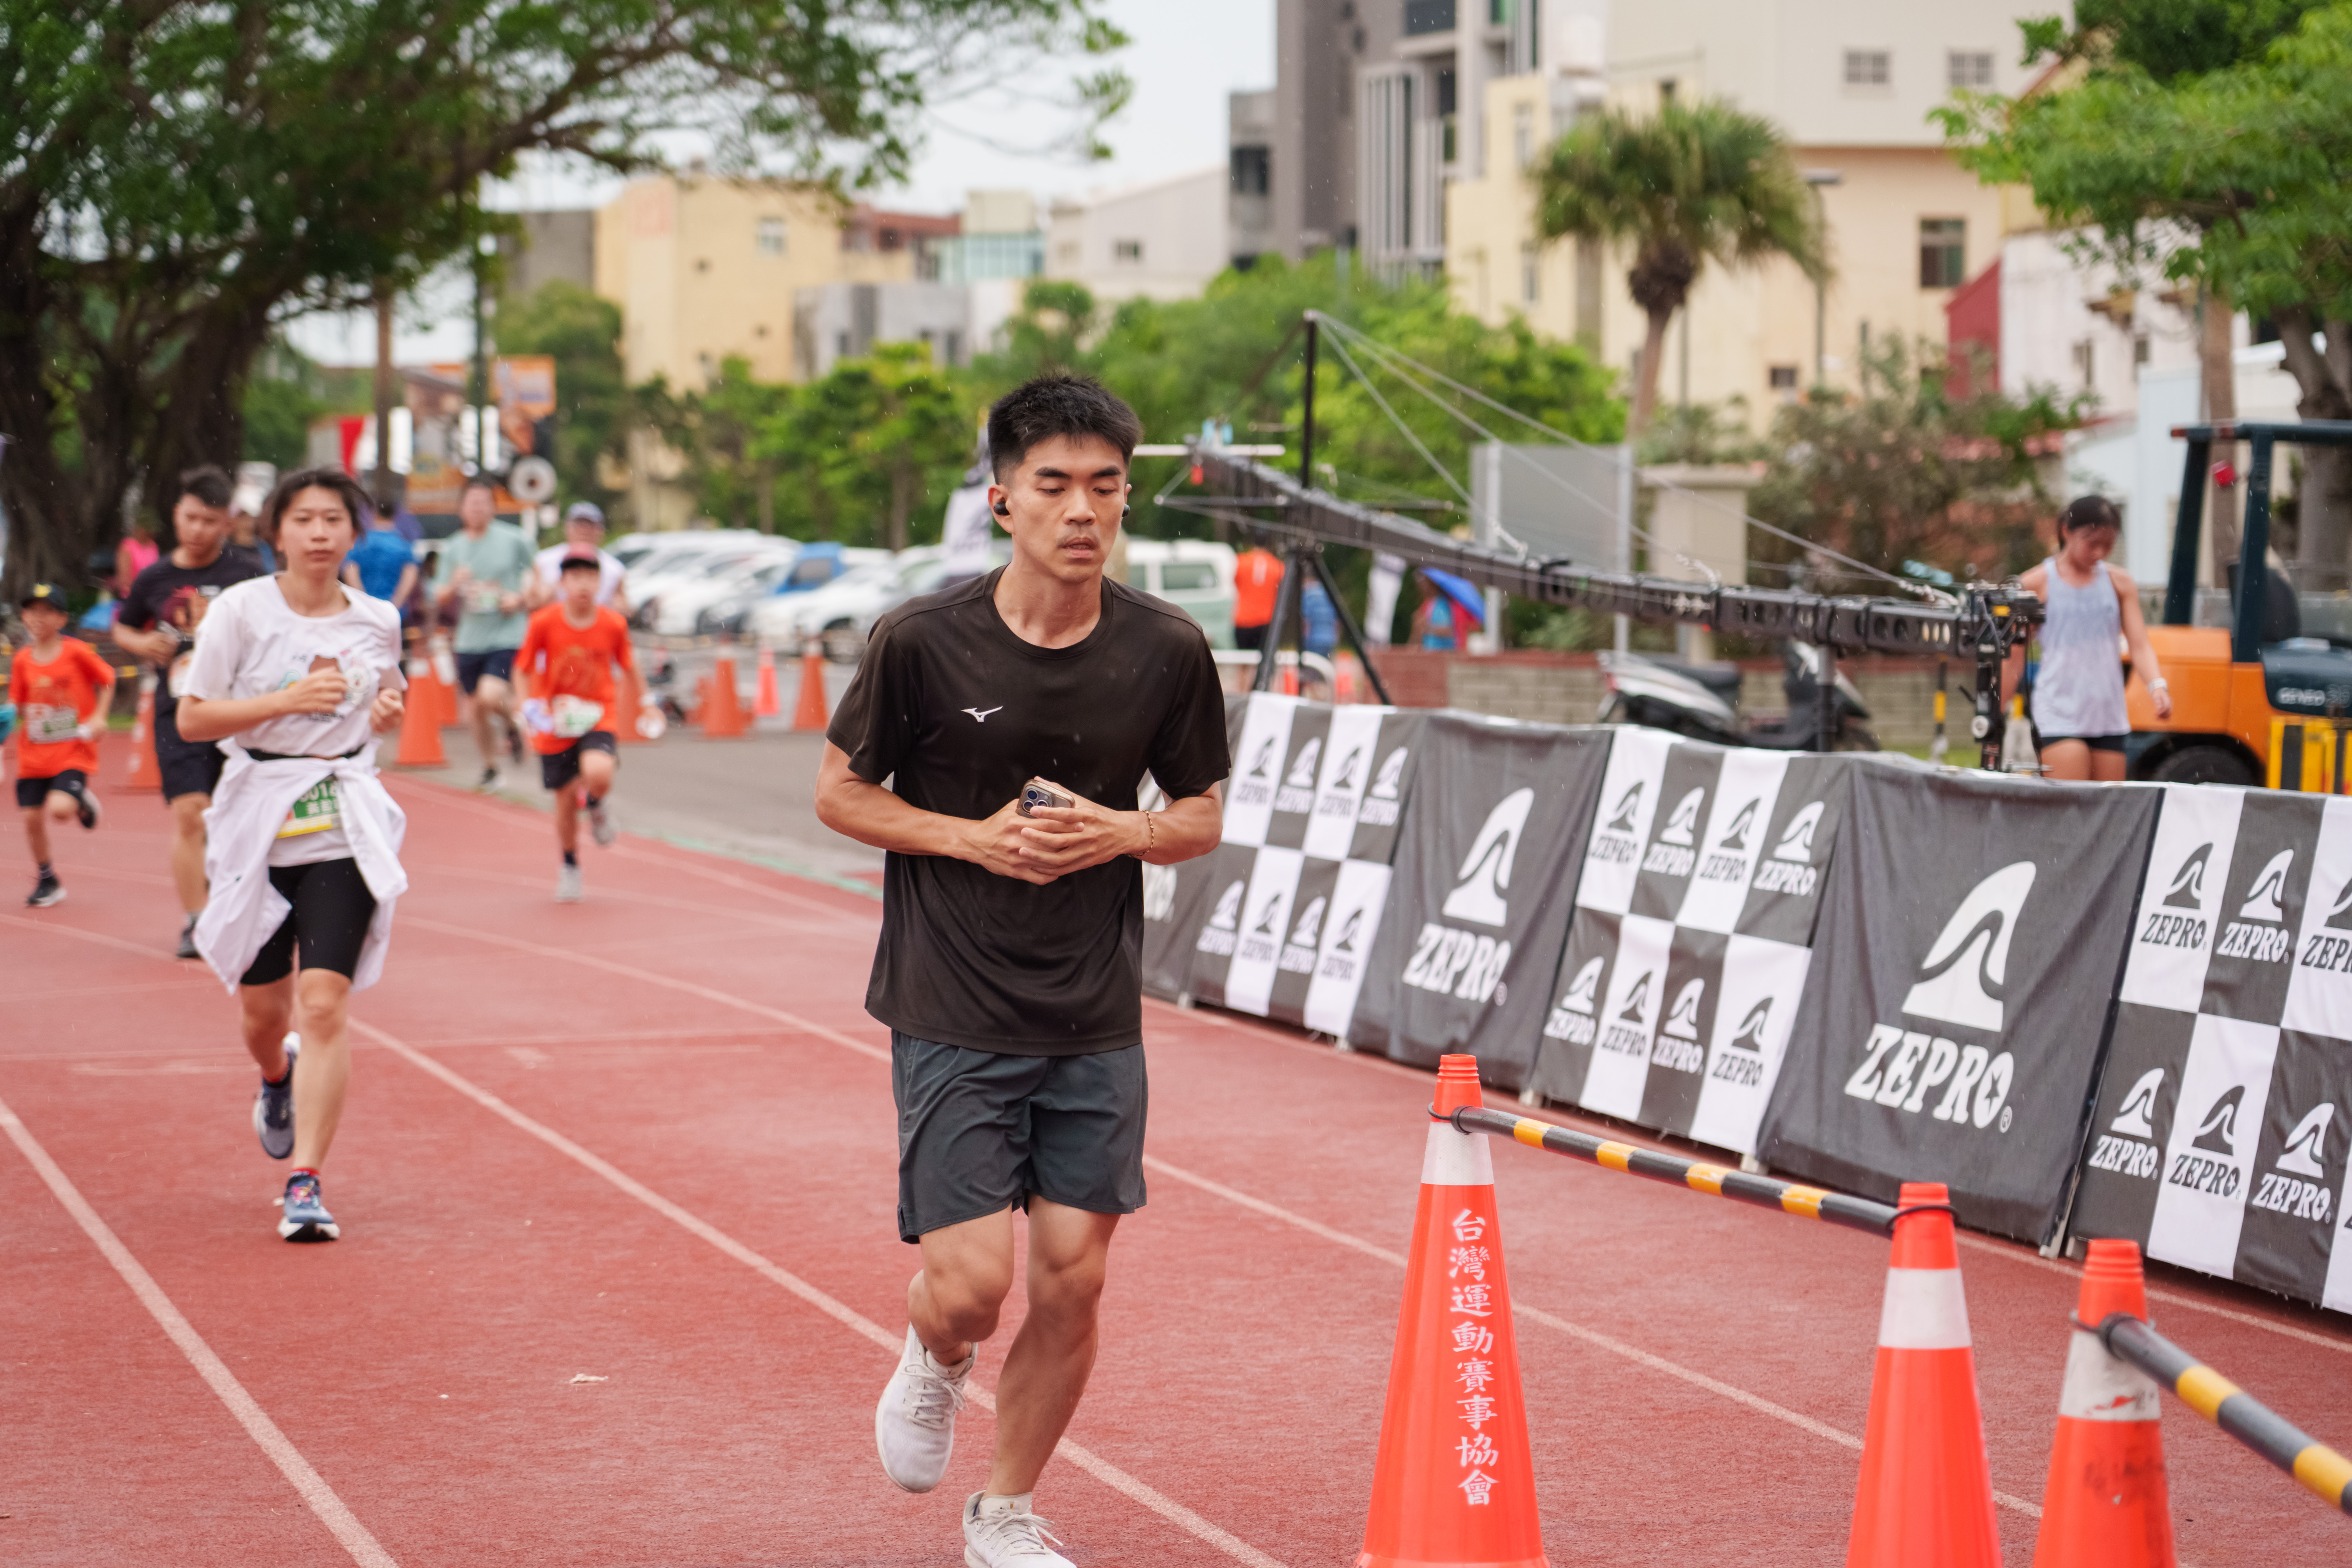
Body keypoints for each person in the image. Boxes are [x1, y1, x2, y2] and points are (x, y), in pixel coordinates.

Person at [815, 375, 1229, 1568]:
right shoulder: (920, 642)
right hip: (952, 1000)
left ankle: (1002, 1511)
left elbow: (1198, 813)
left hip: (1092, 1011)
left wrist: (1120, 830)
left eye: (1105, 486)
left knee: (1072, 1279)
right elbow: (839, 793)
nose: (1081, 510)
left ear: (1127, 497)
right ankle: (936, 1351)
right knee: (969, 1286)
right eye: (1053, 485)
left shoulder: (1166, 649)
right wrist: (971, 838)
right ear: (1002, 500)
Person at [178, 466, 407, 1243]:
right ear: (276, 532)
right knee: (264, 1014)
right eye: (303, 518)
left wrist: (385, 712)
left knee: (324, 1003)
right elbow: (193, 719)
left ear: (353, 533)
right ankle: (277, 1075)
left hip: (342, 820)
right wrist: (282, 702)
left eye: (333, 519)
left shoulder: (377, 619)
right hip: (258, 819)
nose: (318, 532)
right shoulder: (239, 612)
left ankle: (305, 1180)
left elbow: (386, 696)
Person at [114, 465, 267, 957]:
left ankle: (235, 903)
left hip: (236, 712)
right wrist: (142, 643)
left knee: (234, 816)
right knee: (190, 813)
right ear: (177, 514)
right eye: (191, 517)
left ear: (227, 523)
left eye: (210, 521)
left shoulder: (247, 573)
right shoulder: (155, 577)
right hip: (178, 711)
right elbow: (123, 626)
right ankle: (197, 921)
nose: (198, 529)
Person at [2009, 494, 2171, 782]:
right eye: (2091, 542)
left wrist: (2157, 685)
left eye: (2108, 545)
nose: (2099, 552)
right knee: (2073, 801)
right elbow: (2014, 655)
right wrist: (1996, 712)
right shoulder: (2035, 583)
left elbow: (2140, 645)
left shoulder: (2120, 583)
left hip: (2107, 712)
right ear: (2066, 532)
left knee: (2108, 805)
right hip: (2059, 711)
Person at [515, 550, 634, 902]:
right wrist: (528, 706)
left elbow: (629, 667)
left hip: (598, 714)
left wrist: (645, 705)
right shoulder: (543, 622)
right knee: (565, 802)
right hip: (555, 719)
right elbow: (522, 669)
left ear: (599, 583)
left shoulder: (614, 624)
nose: (583, 585)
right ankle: (570, 864)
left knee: (598, 771)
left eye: (590, 577)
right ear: (562, 583)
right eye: (575, 577)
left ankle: (596, 803)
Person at [9, 584, 114, 908]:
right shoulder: (22, 660)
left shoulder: (76, 652)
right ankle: (47, 879)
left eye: (47, 612)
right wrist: (9, 715)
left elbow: (108, 678)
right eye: (32, 611)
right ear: (24, 617)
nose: (38, 618)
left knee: (59, 811)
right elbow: (17, 703)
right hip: (33, 754)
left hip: (72, 750)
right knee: (31, 819)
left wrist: (99, 716)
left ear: (61, 619)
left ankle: (77, 799)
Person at [436, 475, 534, 791]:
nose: (477, 508)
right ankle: (491, 766)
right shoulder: (453, 548)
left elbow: (539, 580)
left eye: (483, 502)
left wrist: (519, 599)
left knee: (490, 695)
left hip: (507, 631)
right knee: (476, 708)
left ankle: (511, 720)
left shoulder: (515, 540)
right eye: (472, 502)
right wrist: (455, 583)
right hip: (470, 638)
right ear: (462, 508)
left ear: (493, 507)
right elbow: (438, 596)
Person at [529, 501, 628, 611]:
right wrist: (542, 598)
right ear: (566, 527)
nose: (584, 530)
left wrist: (620, 608)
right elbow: (530, 604)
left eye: (591, 526)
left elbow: (623, 608)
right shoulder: (543, 561)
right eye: (579, 524)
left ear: (601, 531)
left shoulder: (615, 569)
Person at [341, 499, 419, 617]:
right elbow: (410, 577)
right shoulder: (404, 546)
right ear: (395, 515)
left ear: (374, 513)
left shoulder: (360, 544)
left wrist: (366, 606)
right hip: (395, 614)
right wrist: (393, 609)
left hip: (363, 614)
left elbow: (351, 573)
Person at [1232, 543, 1282, 652]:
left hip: (1244, 620)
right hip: (1266, 621)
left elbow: (1235, 582)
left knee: (1243, 659)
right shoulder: (1277, 565)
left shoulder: (1241, 562)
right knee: (1264, 658)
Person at [114, 519, 160, 601]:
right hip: (131, 596)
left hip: (151, 596)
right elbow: (124, 579)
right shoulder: (127, 546)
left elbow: (157, 573)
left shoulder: (153, 546)